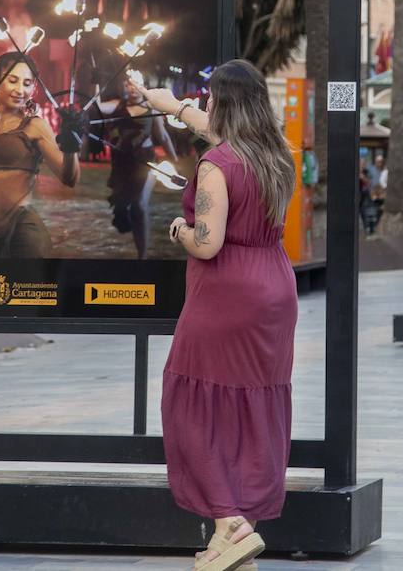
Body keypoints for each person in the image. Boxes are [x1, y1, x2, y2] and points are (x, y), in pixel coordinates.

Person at [139, 61, 298, 571]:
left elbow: (207, 244)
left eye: (209, 97)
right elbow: (217, 130)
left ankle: (230, 521)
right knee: (248, 409)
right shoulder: (277, 153)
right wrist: (171, 105)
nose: (205, 104)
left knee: (191, 404)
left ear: (223, 104)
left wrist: (178, 230)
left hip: (226, 293)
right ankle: (231, 540)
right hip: (274, 290)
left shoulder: (216, 165)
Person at [0, 51, 81, 258]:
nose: (20, 90)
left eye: (27, 83)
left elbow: (69, 178)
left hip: (24, 236)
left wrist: (72, 148)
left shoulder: (35, 126)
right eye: (13, 80)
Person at [102, 83, 179, 258]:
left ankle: (142, 257)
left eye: (136, 84)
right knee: (125, 208)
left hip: (146, 161)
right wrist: (96, 84)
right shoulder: (117, 105)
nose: (132, 88)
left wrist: (175, 161)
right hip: (123, 164)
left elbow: (163, 136)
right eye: (128, 84)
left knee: (139, 205)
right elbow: (97, 107)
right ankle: (139, 251)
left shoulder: (151, 108)